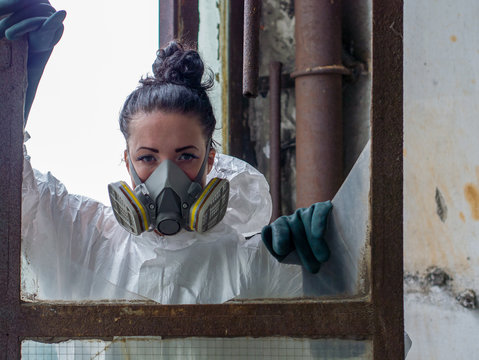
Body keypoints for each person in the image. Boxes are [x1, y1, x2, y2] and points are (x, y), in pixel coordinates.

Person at [2, 0, 332, 304]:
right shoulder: (85, 241)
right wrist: (13, 84)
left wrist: (332, 246)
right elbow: (15, 198)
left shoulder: (249, 262)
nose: (166, 175)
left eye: (186, 156)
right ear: (126, 160)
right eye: (147, 157)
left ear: (211, 161)